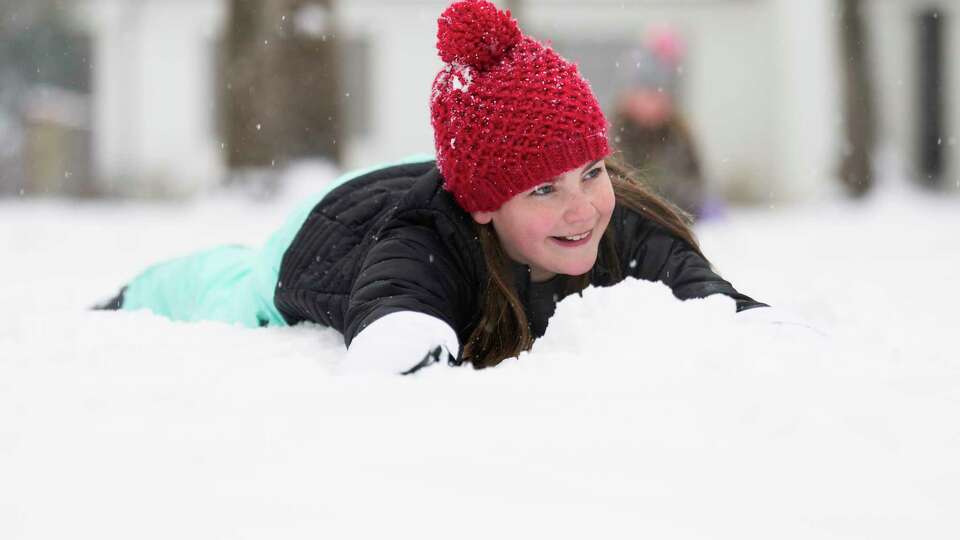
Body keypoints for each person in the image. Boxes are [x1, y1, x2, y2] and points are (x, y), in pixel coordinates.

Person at [97, 0, 768, 374]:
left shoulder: (608, 213)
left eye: (590, 173)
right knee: (227, 283)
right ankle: (134, 290)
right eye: (543, 191)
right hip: (336, 225)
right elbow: (395, 322)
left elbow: (700, 293)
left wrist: (754, 325)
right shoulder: (426, 240)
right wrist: (406, 338)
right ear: (484, 204)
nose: (580, 207)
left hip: (446, 172)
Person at [611, 29, 713, 220]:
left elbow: (695, 182)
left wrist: (686, 203)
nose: (654, 104)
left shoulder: (679, 135)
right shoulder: (613, 135)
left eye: (660, 96)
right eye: (648, 95)